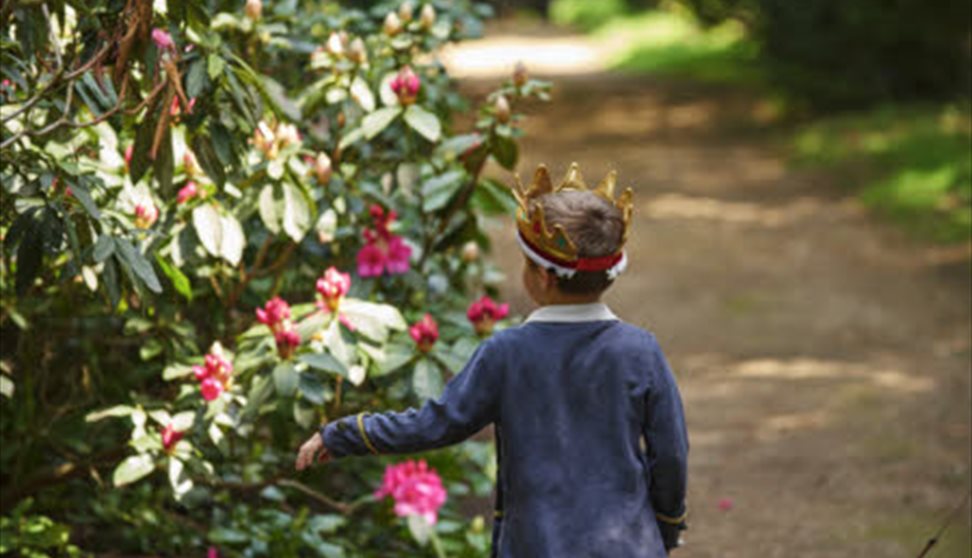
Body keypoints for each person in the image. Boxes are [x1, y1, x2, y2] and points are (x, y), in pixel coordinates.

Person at [296, 163, 689, 557]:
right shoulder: (640, 351)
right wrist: (667, 527)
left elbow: (436, 424)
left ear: (543, 277)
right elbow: (670, 453)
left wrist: (343, 434)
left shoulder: (507, 353)